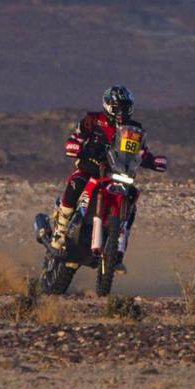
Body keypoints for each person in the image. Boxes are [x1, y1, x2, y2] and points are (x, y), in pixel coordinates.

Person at [49, 85, 167, 269]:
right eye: (117, 107)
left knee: (132, 200)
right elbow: (75, 138)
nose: (121, 112)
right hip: (90, 169)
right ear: (108, 106)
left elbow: (141, 152)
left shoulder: (134, 129)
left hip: (117, 173)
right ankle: (60, 232)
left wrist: (152, 161)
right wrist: (75, 146)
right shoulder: (94, 120)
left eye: (125, 107)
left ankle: (118, 253)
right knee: (75, 184)